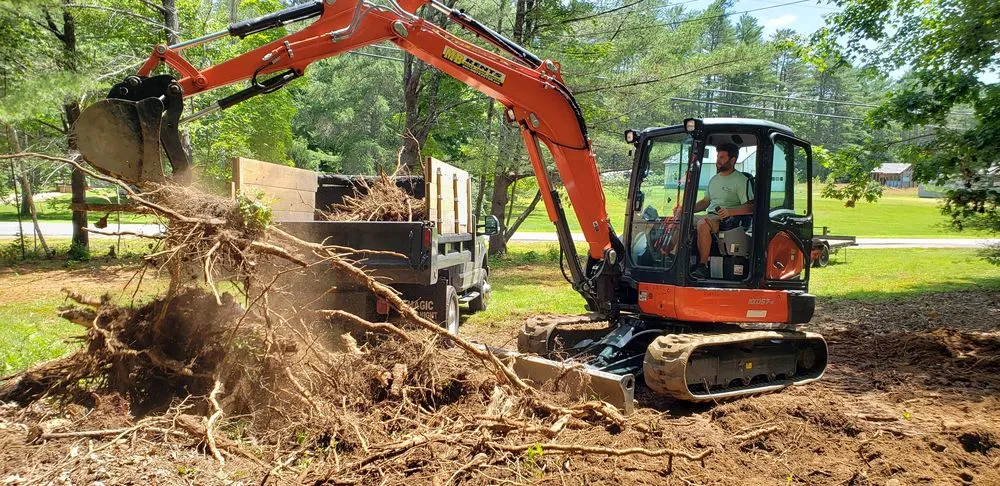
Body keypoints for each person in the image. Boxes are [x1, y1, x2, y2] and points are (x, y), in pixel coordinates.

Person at [690, 143, 753, 279]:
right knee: (680, 221)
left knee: (703, 223)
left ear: (732, 160)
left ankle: (703, 266)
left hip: (725, 219)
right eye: (717, 156)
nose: (718, 160)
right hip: (710, 214)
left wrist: (730, 212)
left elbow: (750, 207)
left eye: (722, 157)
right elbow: (705, 202)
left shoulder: (741, 180)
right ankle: (667, 255)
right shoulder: (714, 179)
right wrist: (686, 210)